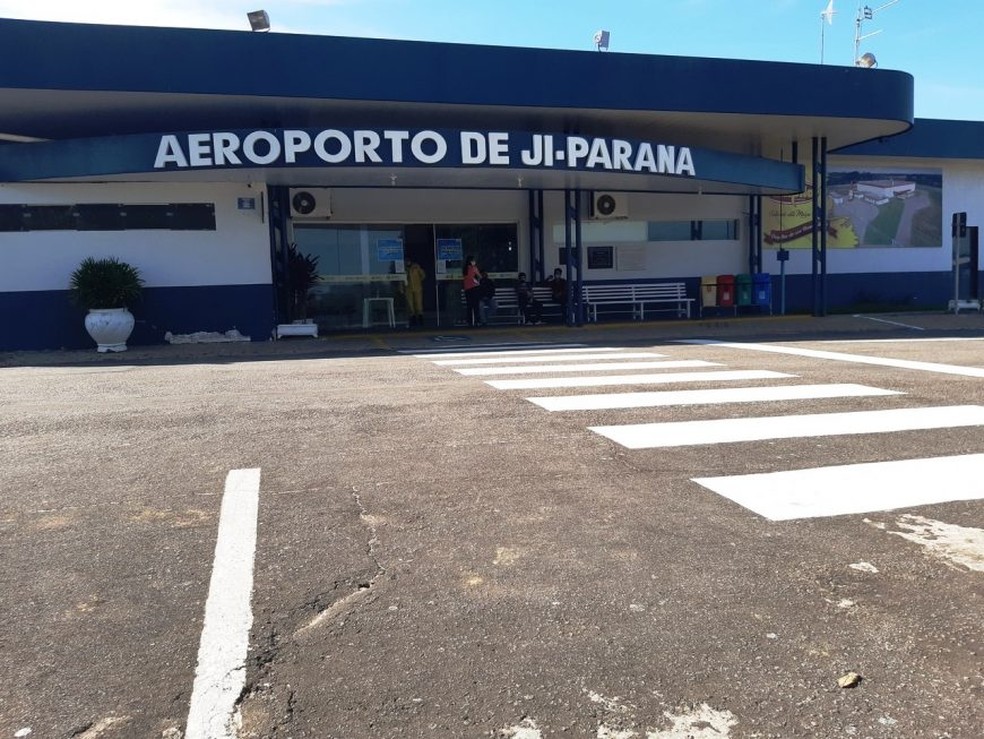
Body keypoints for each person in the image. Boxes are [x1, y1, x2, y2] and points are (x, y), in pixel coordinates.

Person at [403, 258, 425, 327]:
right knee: (410, 305)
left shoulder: (416, 267)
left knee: (418, 304)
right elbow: (401, 279)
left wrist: (418, 281)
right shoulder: (404, 269)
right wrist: (401, 288)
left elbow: (423, 276)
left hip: (417, 288)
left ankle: (420, 320)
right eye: (406, 261)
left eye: (408, 261)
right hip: (408, 289)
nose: (407, 262)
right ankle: (413, 320)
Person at [461, 255, 482, 327]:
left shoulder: (465, 269)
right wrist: (477, 282)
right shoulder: (473, 268)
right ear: (471, 261)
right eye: (473, 260)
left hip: (467, 289)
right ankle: (477, 321)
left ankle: (469, 321)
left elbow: (467, 278)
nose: (474, 262)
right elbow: (479, 276)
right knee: (476, 305)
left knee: (469, 306)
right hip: (474, 288)